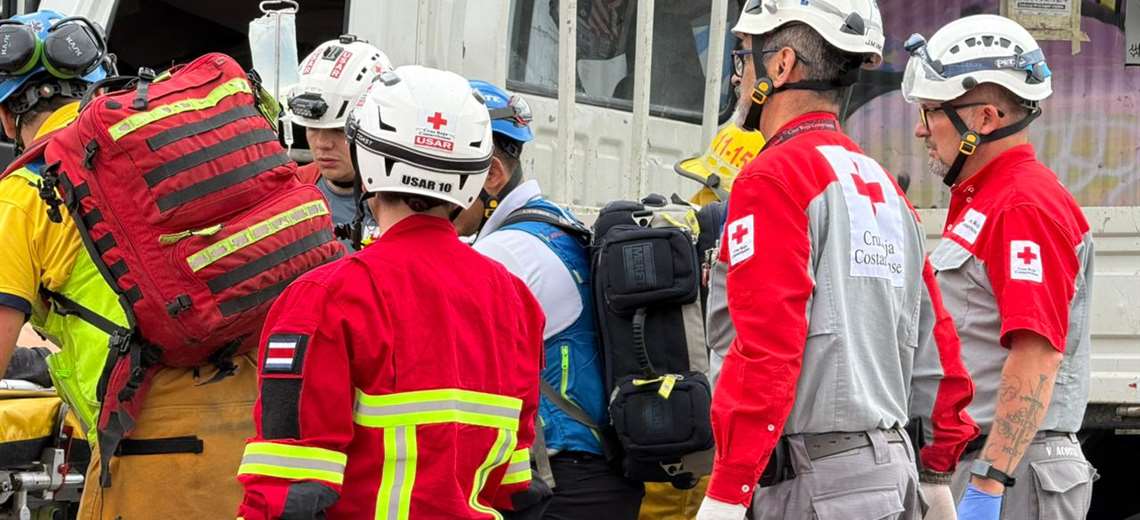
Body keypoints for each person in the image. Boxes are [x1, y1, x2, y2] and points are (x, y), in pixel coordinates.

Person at [237, 65, 546, 519]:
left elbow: (290, 489)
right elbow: (515, 483)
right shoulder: (516, 300)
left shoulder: (323, 298)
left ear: (367, 164)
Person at [697, 1, 961, 518]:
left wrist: (727, 492)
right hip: (889, 475)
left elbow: (766, 348)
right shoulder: (883, 187)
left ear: (781, 65)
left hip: (813, 483)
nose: (739, 74)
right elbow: (937, 344)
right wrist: (936, 472)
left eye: (746, 55)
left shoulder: (772, 178)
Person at [0, 10, 259, 519]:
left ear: (7, 117)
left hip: (150, 441)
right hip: (260, 428)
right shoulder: (175, 155)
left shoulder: (25, 193)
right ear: (100, 89)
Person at [903, 15, 1096, 519]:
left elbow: (1036, 355)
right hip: (993, 466)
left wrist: (989, 486)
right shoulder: (988, 200)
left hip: (1009, 473)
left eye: (932, 111)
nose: (921, 128)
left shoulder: (1021, 206)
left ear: (984, 119)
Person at [455, 80, 644, 520]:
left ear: (493, 176)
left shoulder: (504, 253)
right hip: (600, 479)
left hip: (565, 484)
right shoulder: (555, 223)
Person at [288, 35, 393, 248]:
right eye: (312, 129)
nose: (323, 144)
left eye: (338, 131)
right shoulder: (292, 189)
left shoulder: (405, 201)